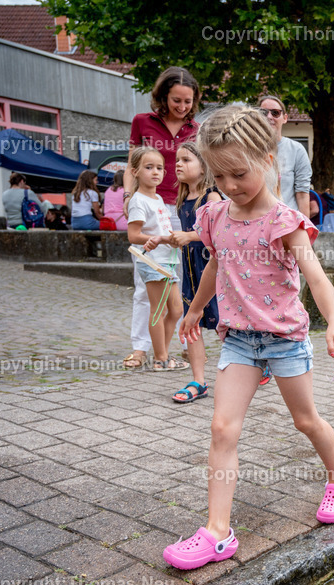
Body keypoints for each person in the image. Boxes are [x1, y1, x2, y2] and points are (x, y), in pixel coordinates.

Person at [163, 106, 334, 569]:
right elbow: (214, 265)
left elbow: (317, 276)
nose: (229, 185)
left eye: (239, 173)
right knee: (222, 428)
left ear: (268, 159)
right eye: (219, 175)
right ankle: (218, 533)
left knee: (306, 421)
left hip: (285, 339)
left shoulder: (285, 221)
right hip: (239, 341)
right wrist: (192, 310)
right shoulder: (214, 215)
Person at [122, 66, 200, 370]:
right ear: (163, 96)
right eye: (176, 100)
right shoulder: (142, 122)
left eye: (188, 101)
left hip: (181, 209)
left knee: (180, 281)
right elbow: (131, 165)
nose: (182, 107)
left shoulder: (196, 128)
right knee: (146, 282)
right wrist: (129, 198)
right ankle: (140, 348)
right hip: (148, 206)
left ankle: (173, 346)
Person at [170, 142, 223, 403]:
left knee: (224, 324)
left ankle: (249, 367)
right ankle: (199, 381)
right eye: (177, 160)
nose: (178, 164)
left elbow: (216, 234)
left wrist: (188, 236)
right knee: (193, 325)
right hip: (191, 271)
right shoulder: (182, 199)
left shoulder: (212, 197)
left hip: (211, 270)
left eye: (186, 160)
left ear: (203, 167)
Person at [125, 146, 187, 372]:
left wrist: (170, 239)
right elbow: (133, 236)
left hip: (168, 261)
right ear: (135, 172)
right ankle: (161, 359)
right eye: (149, 167)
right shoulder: (138, 200)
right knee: (158, 310)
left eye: (159, 168)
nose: (156, 172)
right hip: (152, 263)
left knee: (177, 310)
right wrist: (160, 239)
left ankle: (162, 351)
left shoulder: (159, 198)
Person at [258, 95, 312, 216]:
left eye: (275, 113)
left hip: (286, 223)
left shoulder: (296, 150)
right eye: (263, 113)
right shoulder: (248, 149)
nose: (269, 117)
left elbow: (302, 194)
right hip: (255, 222)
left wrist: (305, 229)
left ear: (285, 118)